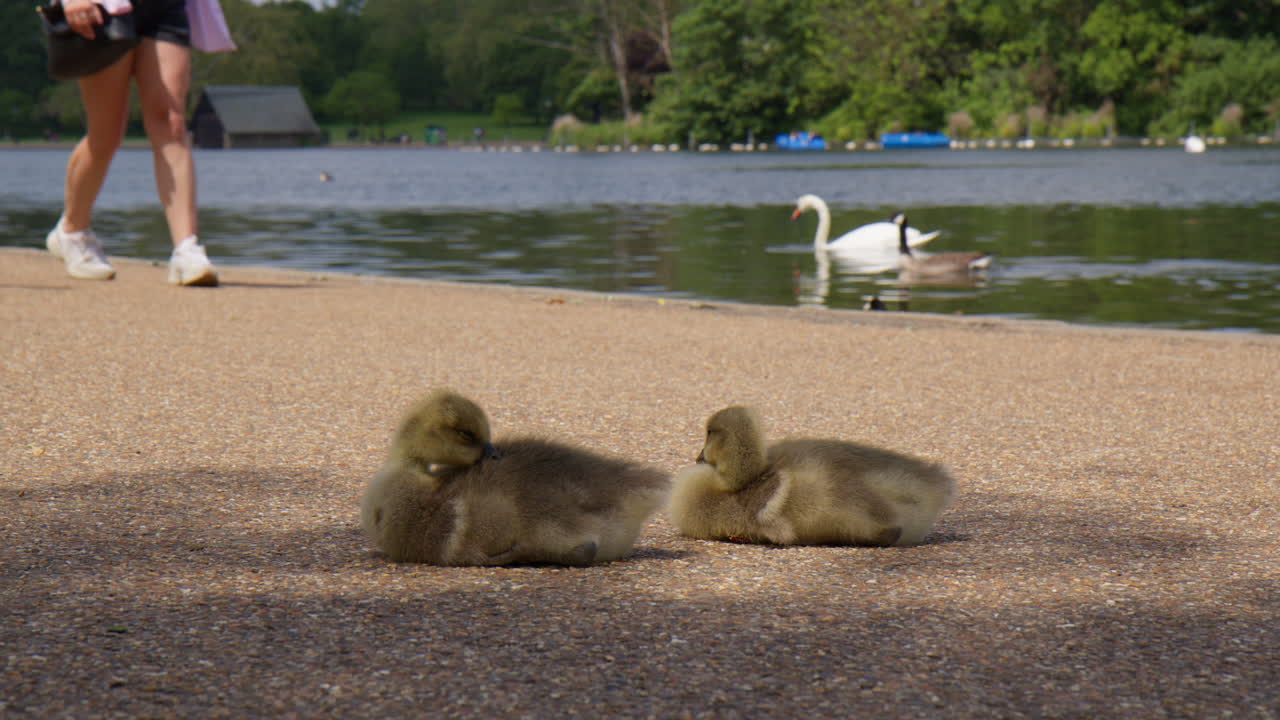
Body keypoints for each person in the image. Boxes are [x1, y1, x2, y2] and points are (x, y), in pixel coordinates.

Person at [46, 0, 217, 286]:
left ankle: (186, 249)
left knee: (171, 123)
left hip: (166, 9)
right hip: (101, 6)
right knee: (106, 133)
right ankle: (72, 232)